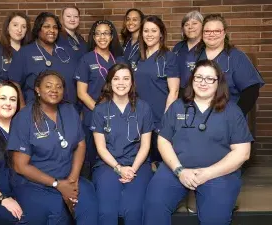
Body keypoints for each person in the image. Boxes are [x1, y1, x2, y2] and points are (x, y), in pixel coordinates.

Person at [143, 60, 253, 225]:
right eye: (199, 77)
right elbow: (163, 141)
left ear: (218, 83)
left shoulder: (232, 111)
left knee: (215, 219)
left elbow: (242, 153)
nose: (203, 82)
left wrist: (208, 173)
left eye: (210, 79)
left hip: (218, 174)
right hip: (176, 169)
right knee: (153, 208)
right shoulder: (177, 107)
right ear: (192, 80)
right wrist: (180, 171)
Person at [7, 71, 98, 225]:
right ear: (37, 89)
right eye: (48, 86)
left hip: (68, 178)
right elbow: (20, 166)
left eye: (59, 87)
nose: (54, 90)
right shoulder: (24, 118)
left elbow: (81, 144)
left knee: (89, 203)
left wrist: (72, 180)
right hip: (35, 185)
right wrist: (57, 184)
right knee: (56, 211)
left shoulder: (70, 111)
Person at [91, 63, 154, 225]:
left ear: (132, 82)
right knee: (107, 211)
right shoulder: (100, 110)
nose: (121, 83)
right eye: (116, 78)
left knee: (134, 210)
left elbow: (145, 145)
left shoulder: (144, 108)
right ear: (109, 83)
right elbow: (101, 148)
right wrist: (119, 168)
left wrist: (132, 169)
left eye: (126, 78)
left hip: (137, 164)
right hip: (108, 165)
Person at [186, 14, 264, 116]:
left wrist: (235, 115)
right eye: (207, 31)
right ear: (202, 33)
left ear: (224, 33)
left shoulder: (236, 57)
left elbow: (251, 91)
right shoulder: (193, 56)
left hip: (226, 115)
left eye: (217, 31)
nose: (212, 34)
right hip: (195, 116)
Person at [75, 20, 123, 173]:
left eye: (106, 33)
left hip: (118, 116)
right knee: (92, 157)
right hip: (94, 115)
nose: (102, 37)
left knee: (115, 154)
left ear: (111, 36)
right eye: (98, 34)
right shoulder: (86, 59)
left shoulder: (120, 60)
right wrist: (100, 111)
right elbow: (81, 93)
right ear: (94, 37)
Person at [8, 12, 78, 108]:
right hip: (36, 111)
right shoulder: (25, 52)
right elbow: (14, 83)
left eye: (55, 27)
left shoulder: (68, 51)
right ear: (38, 29)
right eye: (46, 26)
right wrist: (22, 109)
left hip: (69, 110)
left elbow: (79, 81)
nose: (52, 30)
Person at [135, 15, 180, 162]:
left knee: (161, 157)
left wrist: (166, 119)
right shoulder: (136, 57)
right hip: (139, 115)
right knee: (142, 157)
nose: (149, 34)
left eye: (153, 31)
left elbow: (174, 91)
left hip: (160, 115)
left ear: (161, 33)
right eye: (146, 31)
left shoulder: (169, 57)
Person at [0, 81, 23, 225]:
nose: (8, 103)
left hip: (23, 193)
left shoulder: (24, 130)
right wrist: (3, 199)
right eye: (3, 98)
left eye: (13, 99)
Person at [0, 12, 32, 96]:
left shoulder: (30, 50)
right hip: (2, 100)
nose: (19, 30)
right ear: (7, 27)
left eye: (23, 27)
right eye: (15, 25)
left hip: (27, 102)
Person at [172, 11, 203, 93]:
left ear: (203, 26)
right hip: (178, 92)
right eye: (186, 24)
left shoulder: (207, 47)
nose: (190, 27)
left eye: (194, 23)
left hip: (199, 91)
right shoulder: (178, 47)